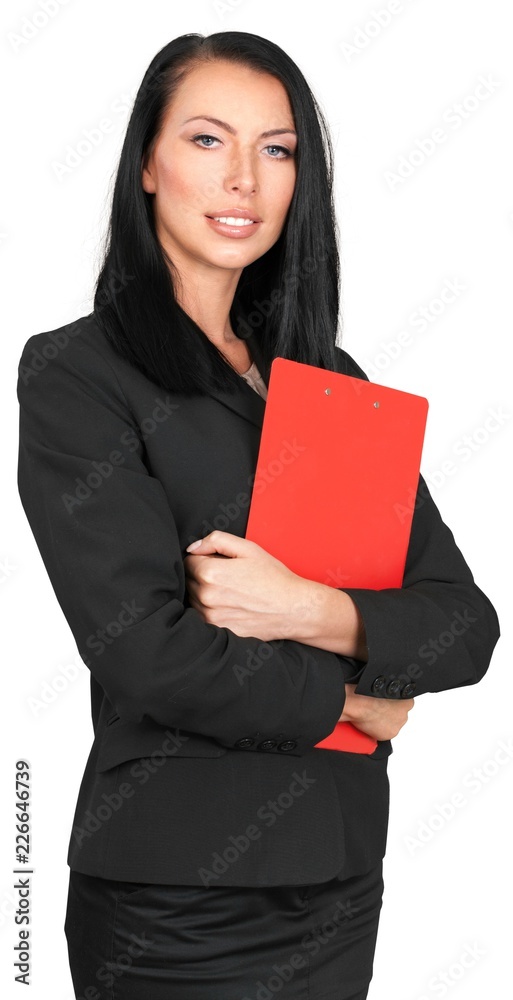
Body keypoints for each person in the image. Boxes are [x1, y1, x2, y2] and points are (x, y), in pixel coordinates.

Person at [16, 30, 500, 1000]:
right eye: (207, 140)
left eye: (276, 150)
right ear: (146, 164)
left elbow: (464, 624)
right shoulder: (77, 375)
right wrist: (350, 702)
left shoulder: (329, 387)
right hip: (175, 903)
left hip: (337, 880)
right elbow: (146, 653)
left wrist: (304, 606)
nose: (243, 178)